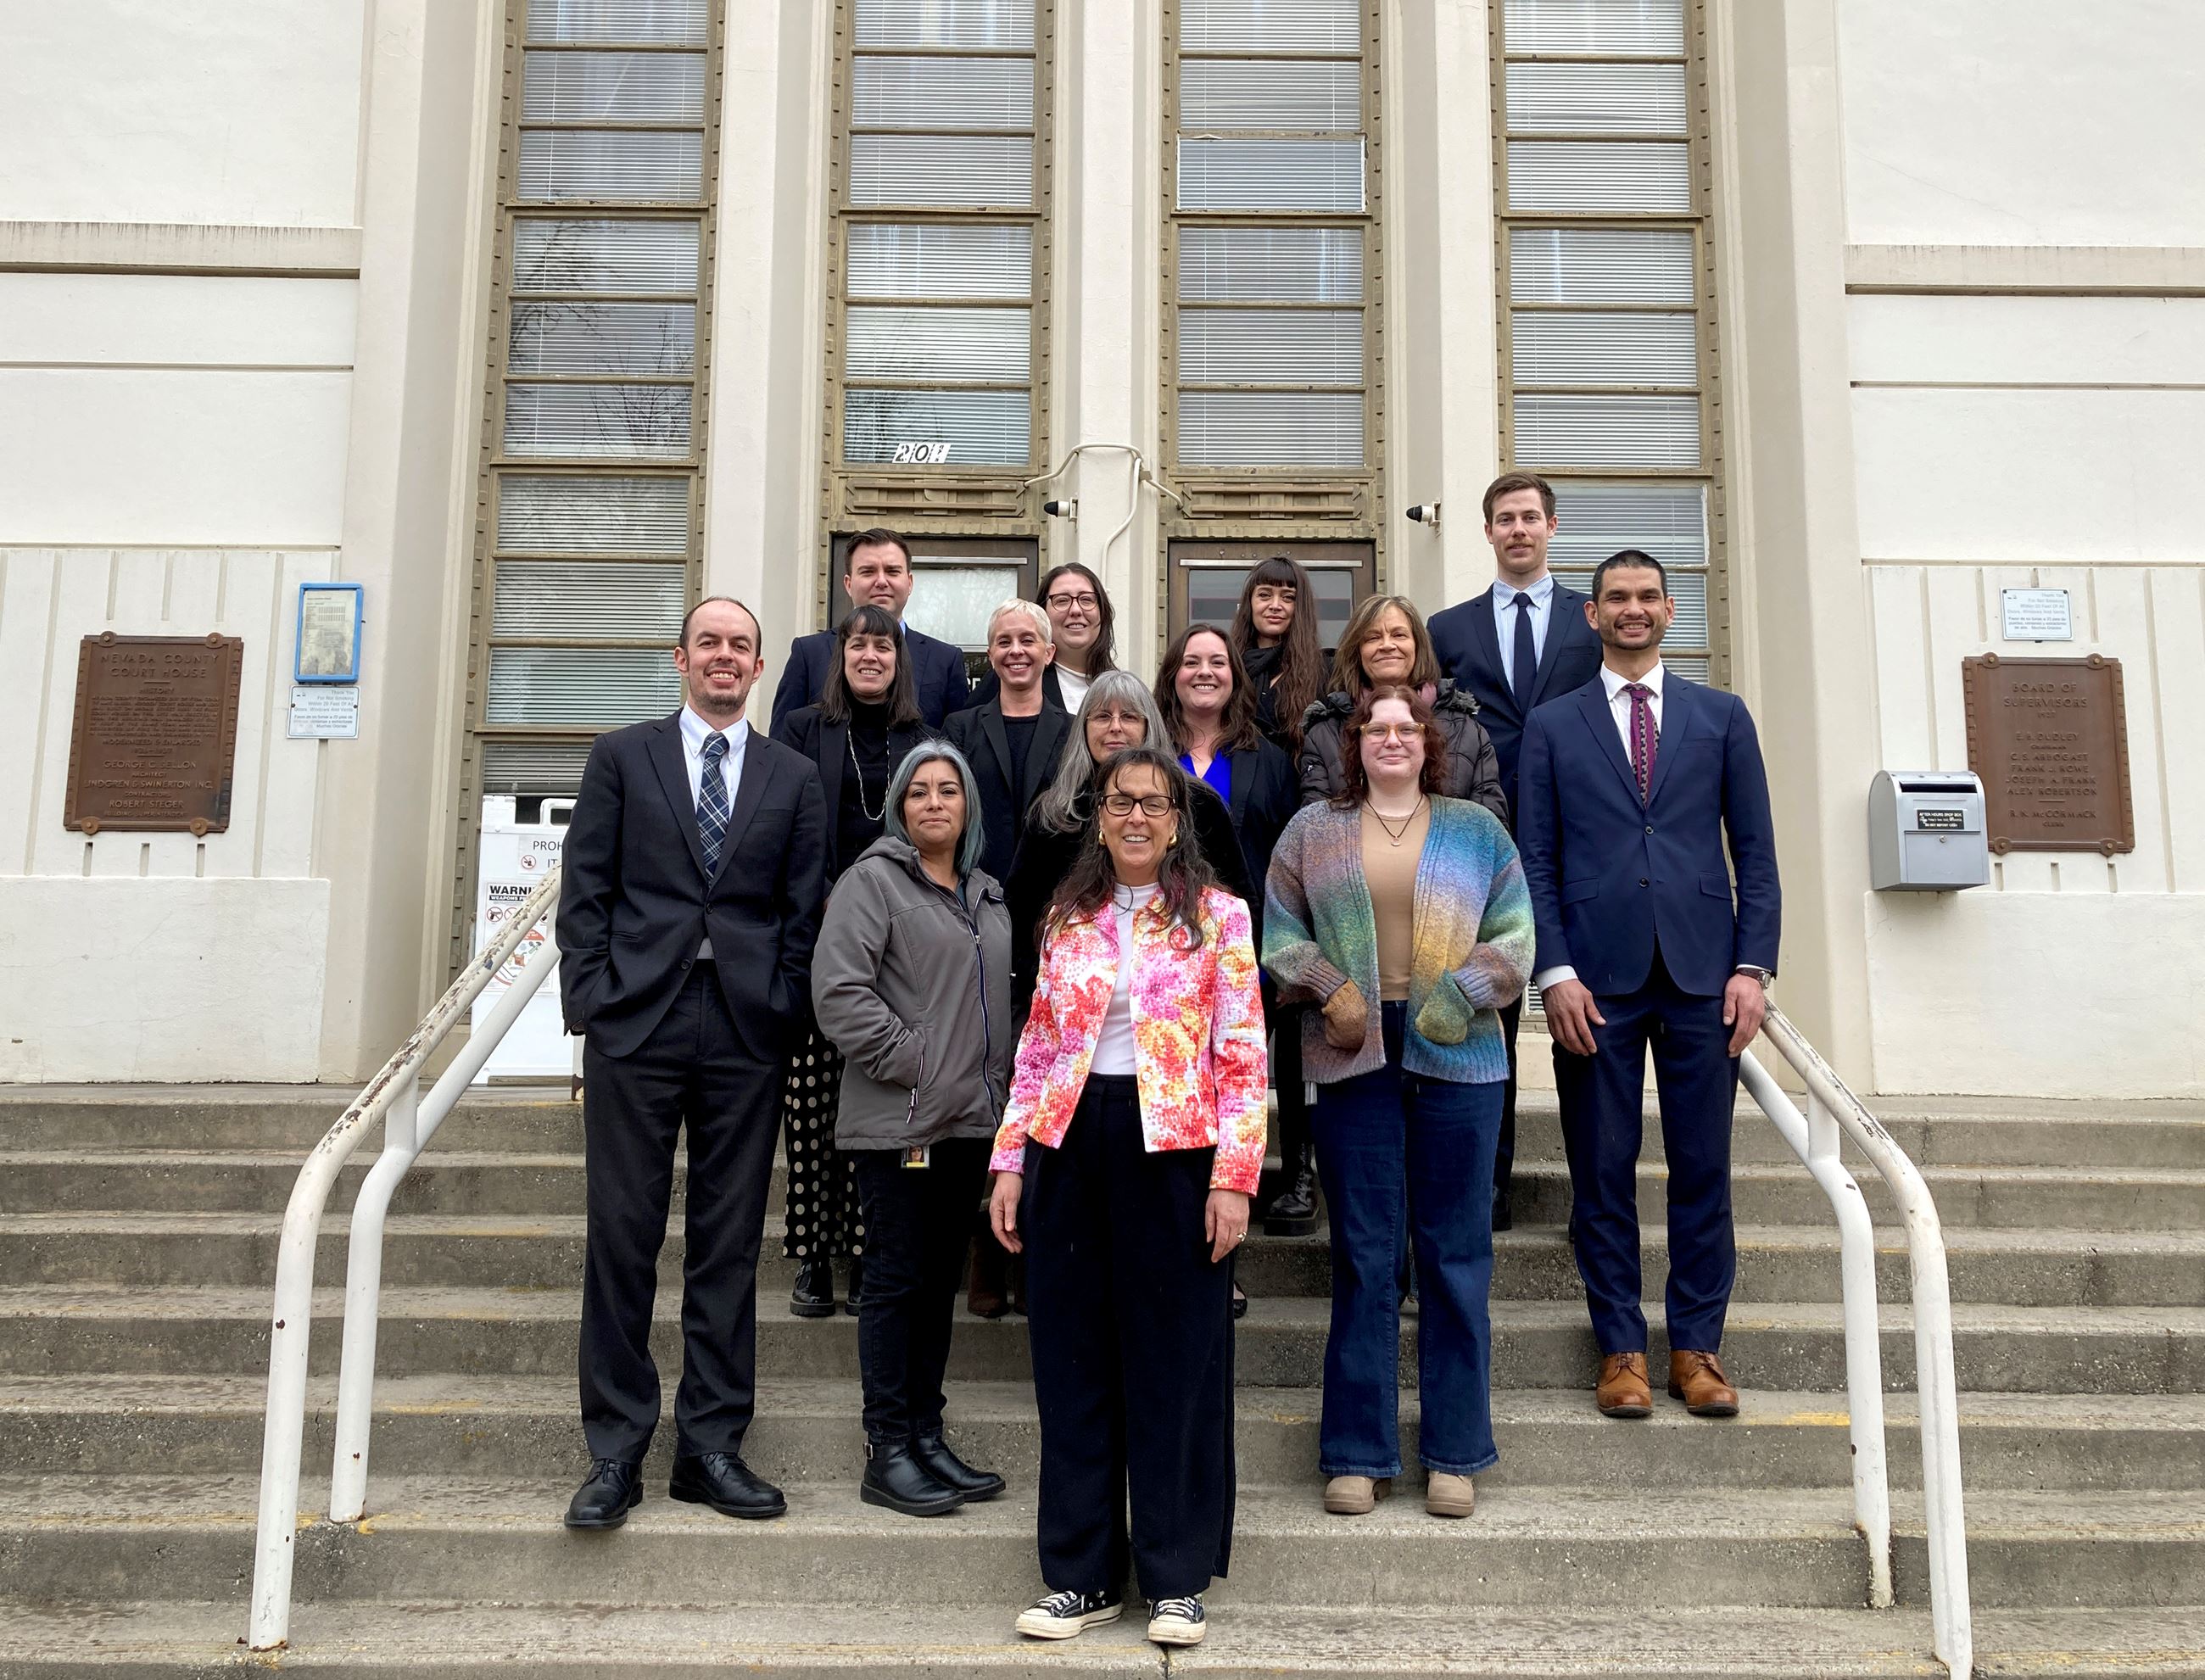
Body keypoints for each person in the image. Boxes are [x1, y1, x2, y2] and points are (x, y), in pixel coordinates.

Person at [988, 746, 1267, 1649]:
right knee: (1072, 1361)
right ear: (1099, 816)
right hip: (1070, 1141)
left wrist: (1233, 1180)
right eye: (1120, 802)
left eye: (1153, 802)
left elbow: (1242, 1054)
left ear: (1178, 820)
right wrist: (1009, 1160)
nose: (1136, 816)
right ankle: (1079, 1574)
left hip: (1174, 1148)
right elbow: (1035, 1046)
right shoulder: (1064, 916)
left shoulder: (1218, 918)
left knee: (1174, 1364)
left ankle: (1175, 1576)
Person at [557, 596, 826, 1529]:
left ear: (758, 669)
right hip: (638, 1022)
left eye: (739, 646)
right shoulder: (620, 757)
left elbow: (802, 910)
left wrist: (784, 1008)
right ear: (680, 658)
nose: (723, 656)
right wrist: (590, 1002)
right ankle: (615, 1452)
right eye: (707, 641)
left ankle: (710, 1445)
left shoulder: (792, 776)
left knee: (726, 1242)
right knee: (622, 1235)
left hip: (745, 1028)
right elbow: (584, 890)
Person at [1516, 550, 1781, 1422]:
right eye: (1615, 599)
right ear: (1589, 616)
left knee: (1703, 1164)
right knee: (1600, 1167)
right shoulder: (1552, 726)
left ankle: (1695, 1349)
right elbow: (1536, 862)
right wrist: (1550, 970)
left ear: (1671, 610)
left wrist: (1752, 967)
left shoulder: (1721, 716)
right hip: (1592, 980)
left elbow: (1754, 855)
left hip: (1704, 978)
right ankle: (1621, 1349)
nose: (1631, 611)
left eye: (1645, 597)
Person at [1263, 685, 1532, 1521]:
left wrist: (1466, 989)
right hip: (1352, 1052)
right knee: (1363, 1257)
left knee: (1454, 1258)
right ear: (1355, 743)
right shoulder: (1313, 830)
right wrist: (1324, 986)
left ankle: (1454, 1450)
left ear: (1426, 742)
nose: (1389, 738)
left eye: (1403, 728)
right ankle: (1356, 1450)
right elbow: (1275, 932)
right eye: (1373, 728)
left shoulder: (1475, 830)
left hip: (1458, 1048)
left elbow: (1518, 934)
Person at [810, 743, 1013, 1517]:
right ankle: (886, 1448)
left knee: (936, 1286)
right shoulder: (871, 883)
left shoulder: (987, 894)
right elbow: (838, 993)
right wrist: (918, 1060)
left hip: (967, 1123)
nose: (934, 802)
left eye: (949, 791)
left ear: (968, 808)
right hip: (900, 1123)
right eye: (919, 791)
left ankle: (926, 1435)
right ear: (900, 805)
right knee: (897, 1282)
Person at [1426, 472, 1604, 1231]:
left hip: (1575, 841)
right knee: (1484, 1012)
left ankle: (1593, 1189)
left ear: (1553, 527)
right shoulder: (1449, 628)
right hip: (1483, 845)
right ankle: (1486, 1186)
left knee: (1583, 1012)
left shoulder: (1590, 621)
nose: (1519, 529)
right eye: (1505, 519)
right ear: (1489, 532)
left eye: (1531, 517)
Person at [772, 606, 939, 1318]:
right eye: (858, 644)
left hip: (900, 947)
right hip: (818, 939)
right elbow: (776, 833)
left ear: (900, 659)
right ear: (840, 656)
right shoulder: (803, 730)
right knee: (811, 1104)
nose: (870, 655)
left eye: (883, 645)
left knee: (886, 1107)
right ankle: (815, 1252)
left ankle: (875, 1248)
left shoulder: (925, 738)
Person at [1155, 621, 1311, 1236]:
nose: (1205, 672)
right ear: (1173, 674)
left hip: (1247, 947)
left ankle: (1276, 1182)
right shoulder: (1148, 752)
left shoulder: (1268, 761)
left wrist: (1285, 948)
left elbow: (1287, 857)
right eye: (1191, 661)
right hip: (1162, 953)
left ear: (1235, 677)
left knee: (1242, 1077)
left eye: (1218, 662)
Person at [1005, 671, 1253, 1017]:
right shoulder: (1054, 812)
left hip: (1177, 1009)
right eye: (1103, 716)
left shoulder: (1198, 805)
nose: (1115, 727)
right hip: (1071, 1008)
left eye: (1130, 716)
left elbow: (1238, 900)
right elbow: (1020, 911)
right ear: (1084, 728)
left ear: (1150, 726)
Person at [1297, 594, 1509, 826]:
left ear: (1418, 646)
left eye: (1399, 635)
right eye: (1373, 637)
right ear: (1357, 651)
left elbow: (1491, 833)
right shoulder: (1325, 733)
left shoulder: (1466, 731)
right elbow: (1315, 832)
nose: (1387, 645)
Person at [771, 528, 972, 731]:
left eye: (892, 571)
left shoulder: (945, 660)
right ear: (848, 584)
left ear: (909, 583)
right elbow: (782, 749)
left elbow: (957, 746)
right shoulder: (808, 654)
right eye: (868, 572)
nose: (882, 581)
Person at [945, 600, 1071, 887]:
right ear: (991, 655)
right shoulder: (960, 728)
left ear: (1049, 653)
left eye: (1028, 640)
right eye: (1004, 642)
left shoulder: (1075, 731)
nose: (1016, 650)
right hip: (974, 891)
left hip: (1054, 896)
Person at [979, 561, 1118, 713]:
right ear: (1043, 613)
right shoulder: (1006, 678)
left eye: (1086, 599)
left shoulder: (1120, 687)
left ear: (1102, 612)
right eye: (1062, 600)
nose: (1076, 610)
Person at [1229, 555, 1327, 756]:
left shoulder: (1323, 672)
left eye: (1288, 597)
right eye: (1264, 595)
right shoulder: (1228, 668)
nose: (1275, 605)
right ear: (1250, 603)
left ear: (1299, 607)